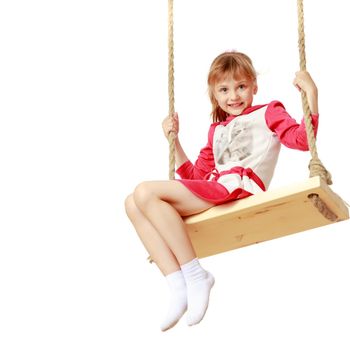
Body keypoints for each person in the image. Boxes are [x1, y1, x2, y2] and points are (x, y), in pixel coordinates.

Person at [124, 51, 319, 331]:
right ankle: (177, 284)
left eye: (241, 86)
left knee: (144, 192)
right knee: (132, 203)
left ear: (254, 86)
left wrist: (311, 93)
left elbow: (302, 140)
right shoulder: (216, 130)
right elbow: (195, 177)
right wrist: (174, 142)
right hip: (216, 188)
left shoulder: (269, 112)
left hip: (240, 189)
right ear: (214, 95)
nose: (233, 96)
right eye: (224, 90)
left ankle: (195, 274)